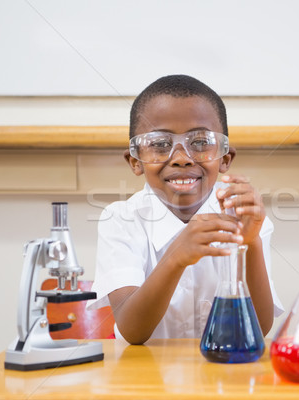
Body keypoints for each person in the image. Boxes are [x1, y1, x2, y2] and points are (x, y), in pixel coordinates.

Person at [87, 74, 283, 344]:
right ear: (135, 161)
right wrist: (176, 256)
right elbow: (132, 330)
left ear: (225, 159)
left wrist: (252, 244)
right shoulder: (120, 219)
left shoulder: (244, 219)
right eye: (159, 144)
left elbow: (258, 329)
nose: (181, 158)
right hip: (142, 382)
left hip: (221, 377)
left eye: (200, 143)